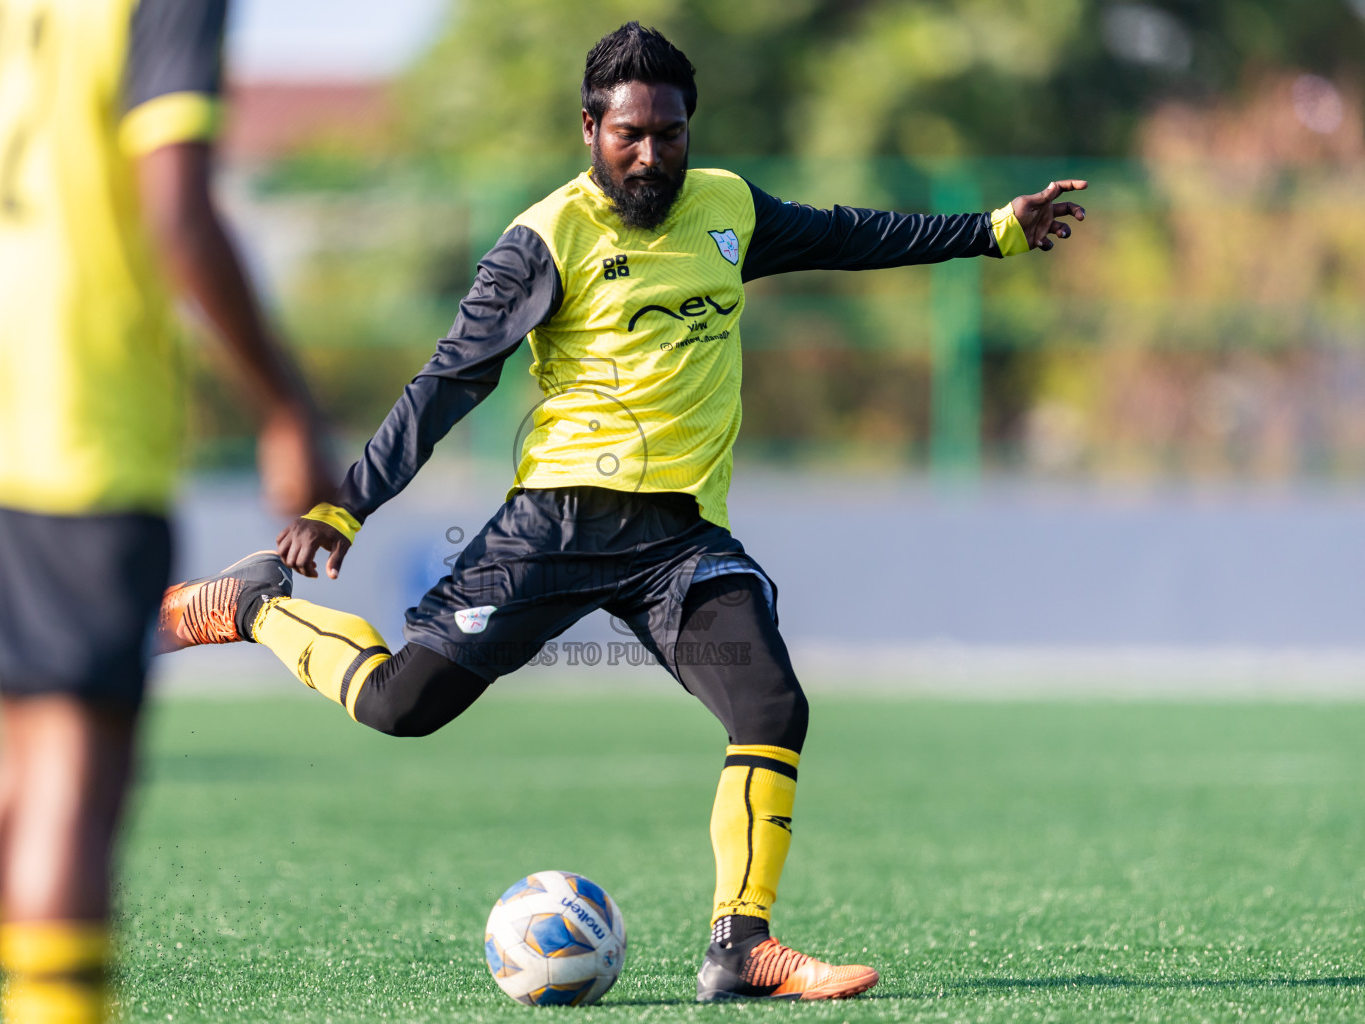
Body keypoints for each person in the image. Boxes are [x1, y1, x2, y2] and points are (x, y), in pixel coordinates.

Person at [161, 21, 1086, 1003]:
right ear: (590, 128)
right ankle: (254, 605)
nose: (652, 154)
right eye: (629, 134)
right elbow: (447, 383)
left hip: (678, 543)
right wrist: (342, 510)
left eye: (671, 133)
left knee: (772, 706)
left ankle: (742, 946)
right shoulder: (543, 240)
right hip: (554, 531)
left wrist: (993, 230)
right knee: (399, 706)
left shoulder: (726, 207)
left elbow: (852, 233)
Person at [0, 2, 332, 1022]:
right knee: (79, 775)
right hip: (62, 396)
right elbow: (177, 207)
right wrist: (285, 407)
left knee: (30, 752)